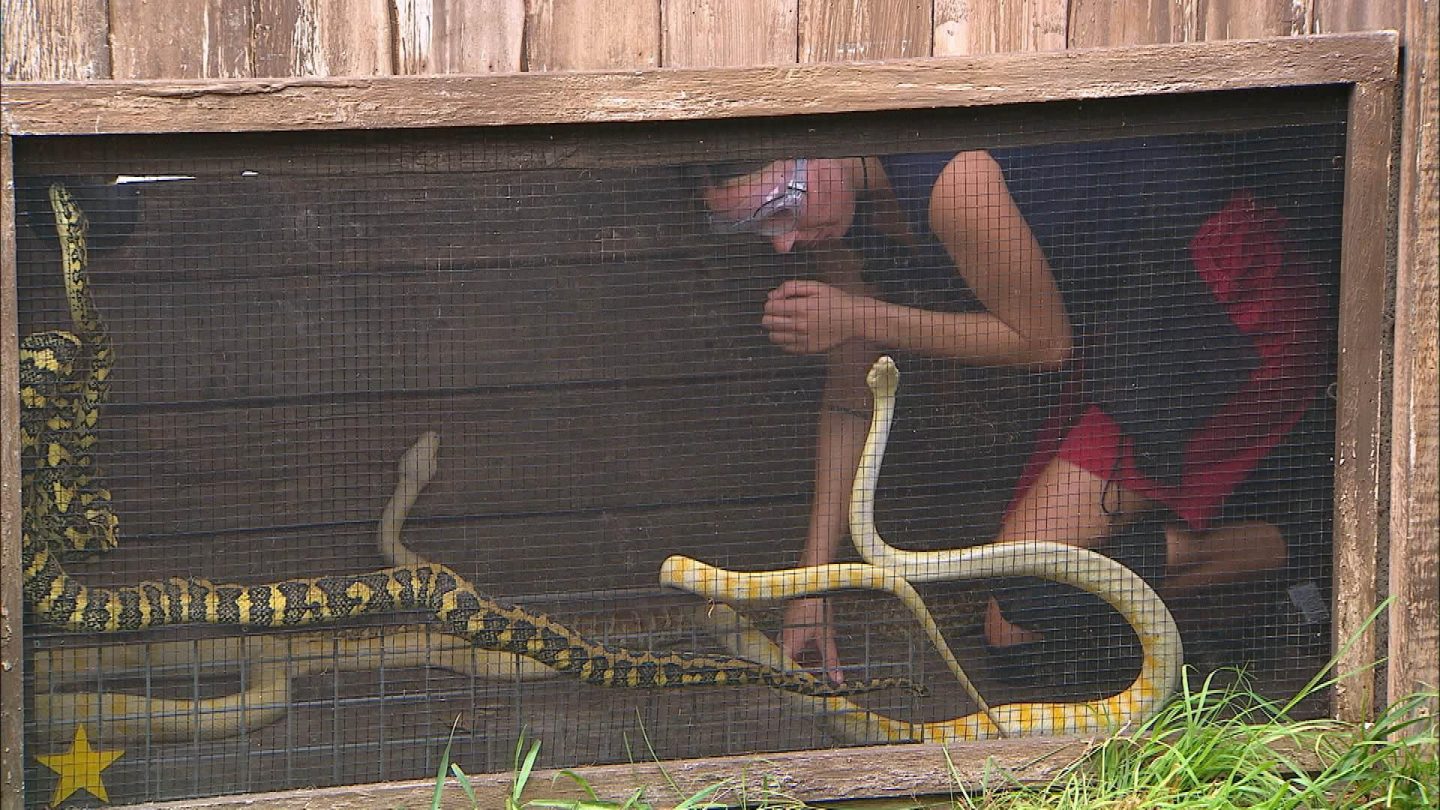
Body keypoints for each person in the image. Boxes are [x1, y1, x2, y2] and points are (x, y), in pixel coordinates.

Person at [701, 140, 1330, 687]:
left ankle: (1305, 548)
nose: (782, 241)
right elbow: (849, 395)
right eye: (754, 229)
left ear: (820, 145)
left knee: (1032, 588)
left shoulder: (950, 179)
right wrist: (811, 585)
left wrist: (855, 314)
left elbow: (1043, 343)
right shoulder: (843, 220)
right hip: (1134, 331)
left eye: (779, 207)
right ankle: (1248, 586)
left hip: (1228, 306)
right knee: (1014, 621)